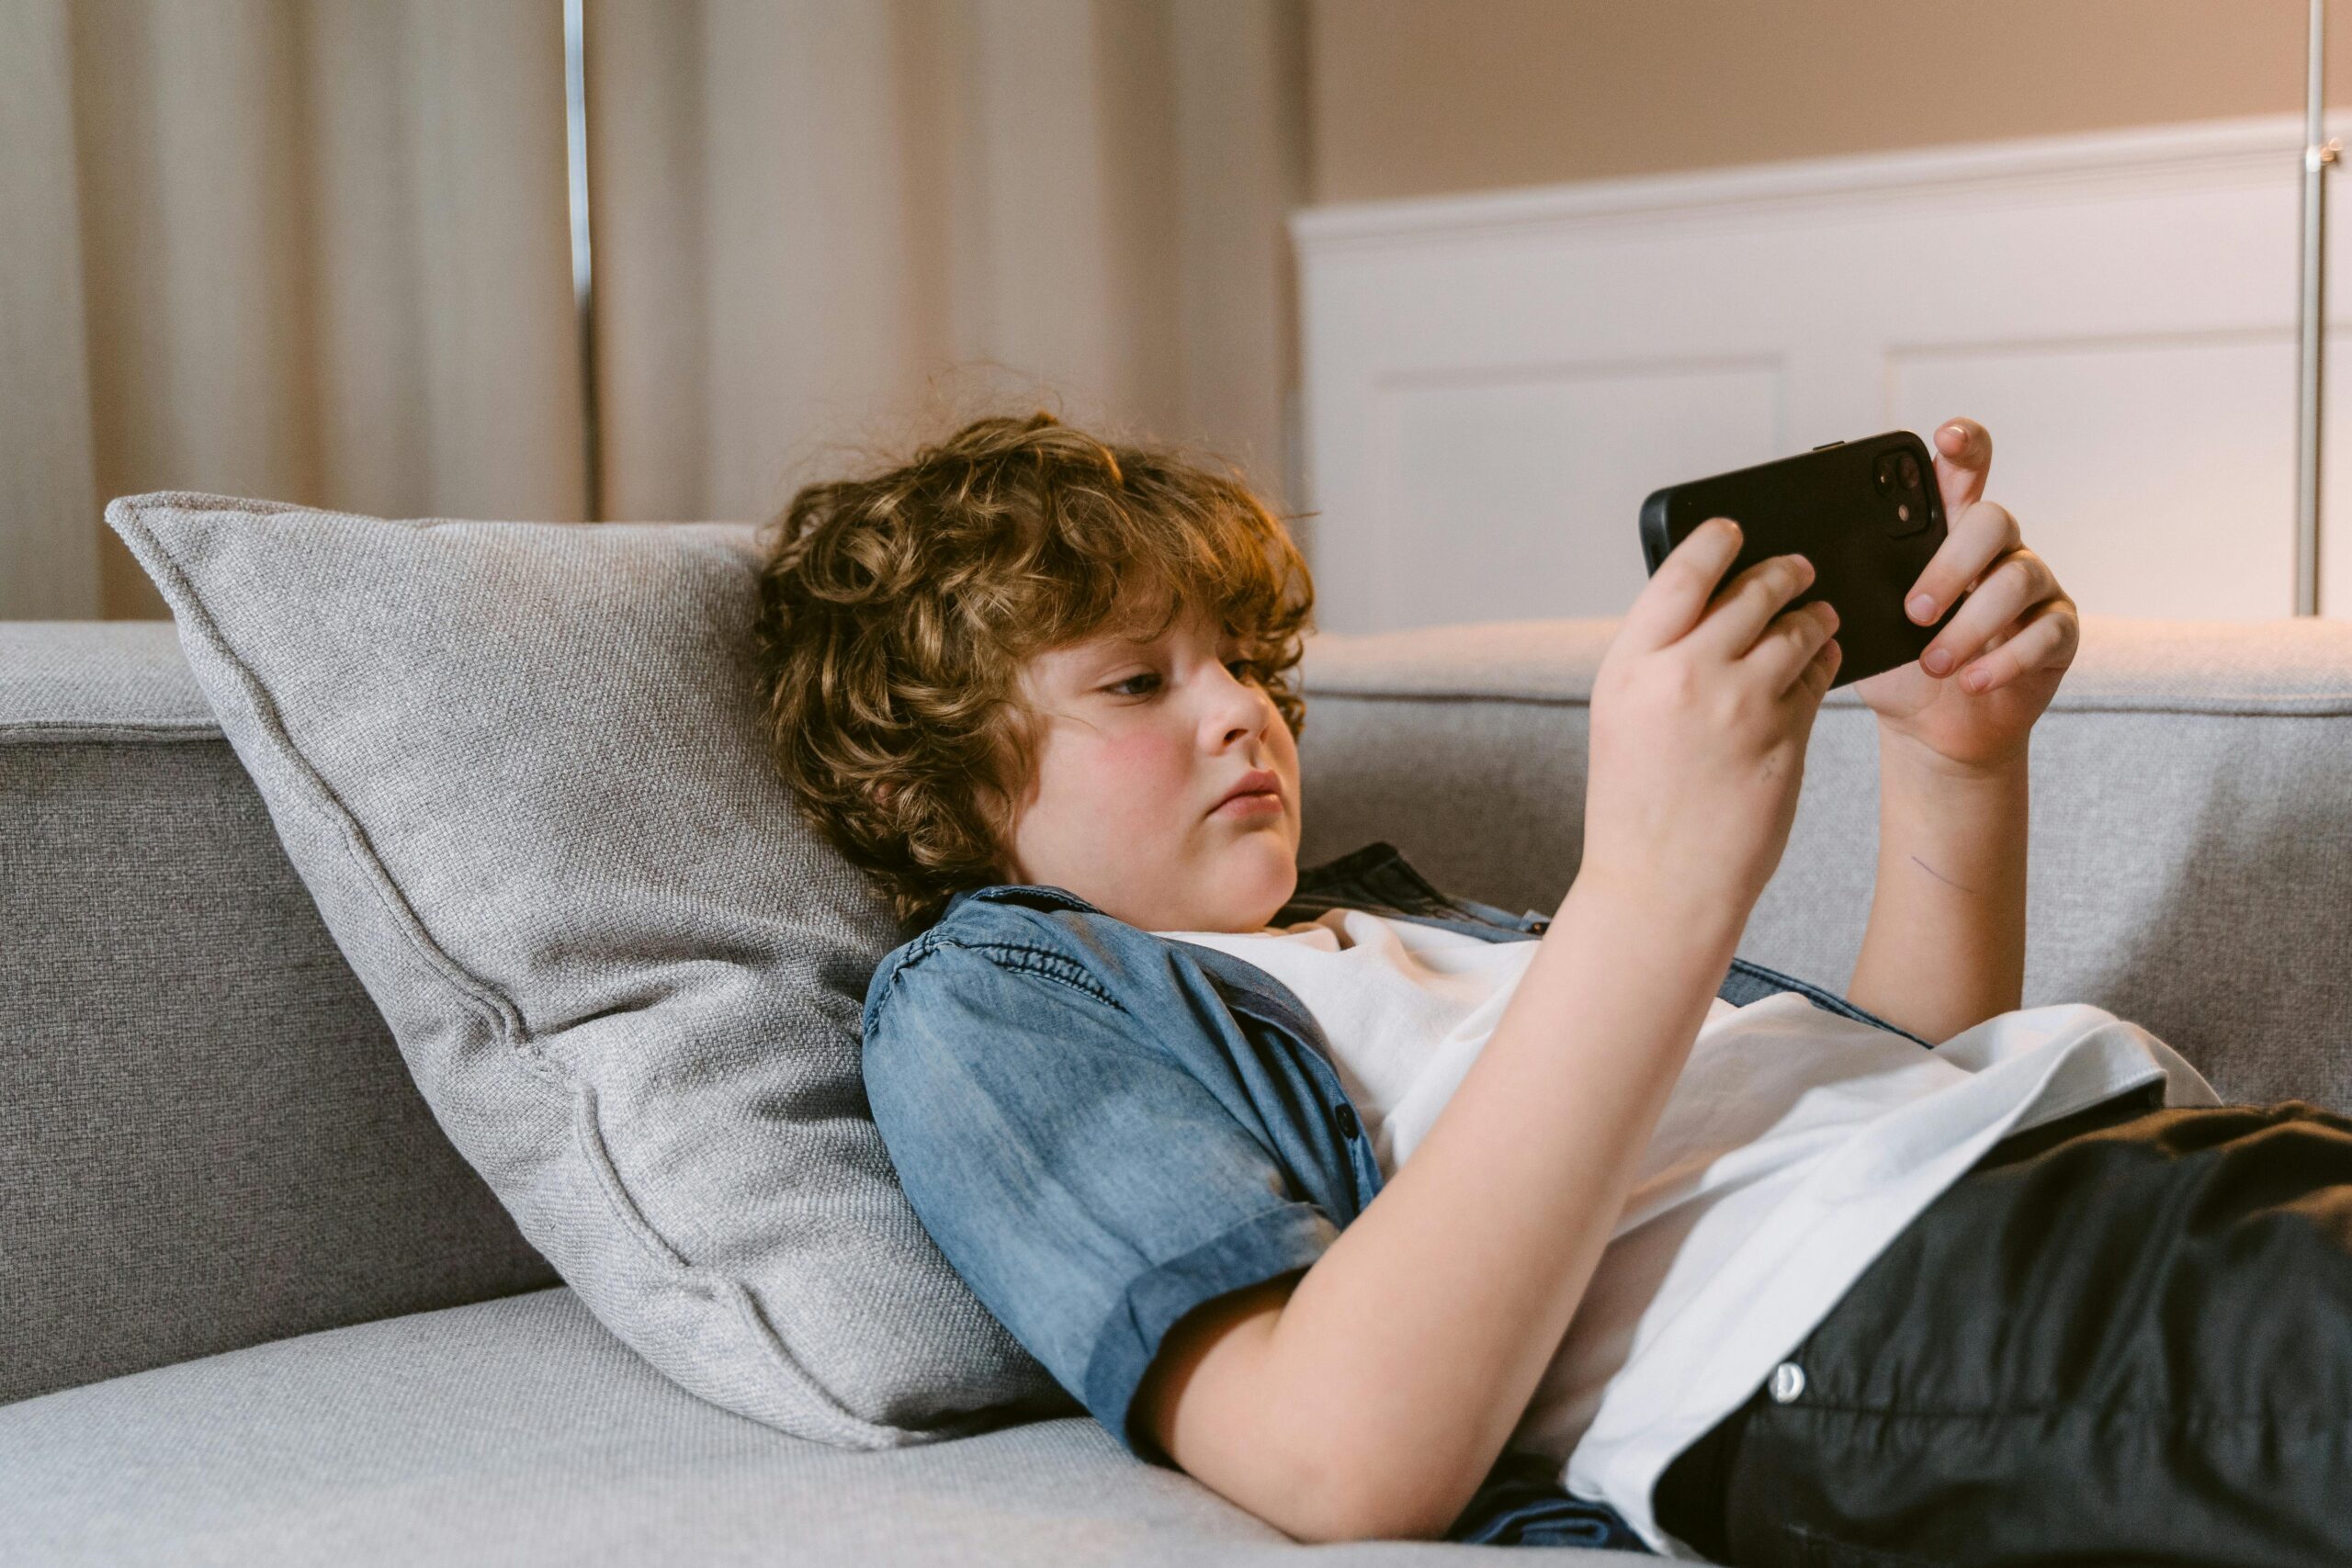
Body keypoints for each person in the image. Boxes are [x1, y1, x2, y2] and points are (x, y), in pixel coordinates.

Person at [750, 411, 2352, 1566]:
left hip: (2102, 1172)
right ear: (937, 790)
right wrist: (1653, 883)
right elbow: (1335, 1451)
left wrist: (1955, 763)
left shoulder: (1407, 927)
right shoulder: (991, 1001)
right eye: (1137, 681)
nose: (1243, 712)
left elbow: (1884, 1088)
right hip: (1889, 1321)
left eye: (1245, 661)